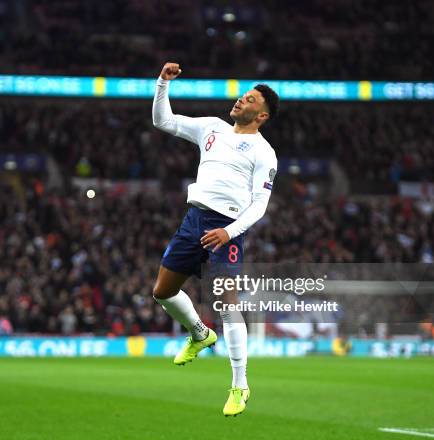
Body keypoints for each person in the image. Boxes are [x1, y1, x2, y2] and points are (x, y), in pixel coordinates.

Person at [151, 62, 279, 417]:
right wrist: (163, 83)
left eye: (249, 99)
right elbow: (164, 121)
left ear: (262, 115)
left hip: (226, 228)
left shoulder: (264, 153)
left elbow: (259, 206)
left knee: (227, 304)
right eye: (242, 95)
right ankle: (198, 333)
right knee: (162, 291)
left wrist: (229, 231)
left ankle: (240, 385)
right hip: (194, 220)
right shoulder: (212, 128)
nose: (240, 100)